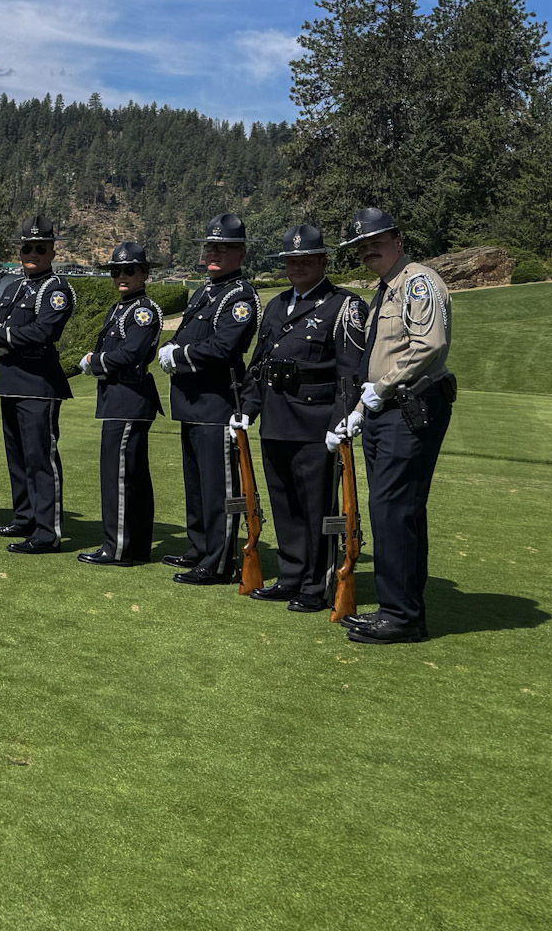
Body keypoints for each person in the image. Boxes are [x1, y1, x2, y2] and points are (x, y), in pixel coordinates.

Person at [333, 207, 453, 645]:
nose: (368, 251)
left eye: (375, 242)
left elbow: (430, 344)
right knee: (392, 511)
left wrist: (380, 389)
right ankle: (399, 609)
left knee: (393, 509)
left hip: (410, 405)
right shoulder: (385, 290)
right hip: (386, 408)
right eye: (361, 247)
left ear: (398, 242)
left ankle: (399, 616)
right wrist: (365, 408)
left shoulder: (416, 281)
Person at [237, 223, 366, 609]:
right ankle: (291, 576)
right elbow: (259, 365)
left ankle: (317, 584)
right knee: (284, 505)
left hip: (315, 420)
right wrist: (247, 409)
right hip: (276, 419)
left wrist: (341, 421)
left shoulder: (344, 306)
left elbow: (351, 372)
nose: (297, 266)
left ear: (323, 261)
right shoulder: (276, 304)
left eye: (305, 259)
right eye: (291, 260)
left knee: (316, 508)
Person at [156, 213, 259, 585]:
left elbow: (224, 346)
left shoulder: (240, 296)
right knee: (196, 482)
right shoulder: (205, 291)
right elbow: (186, 332)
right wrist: (171, 347)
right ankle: (199, 546)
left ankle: (220, 559)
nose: (213, 253)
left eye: (223, 247)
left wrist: (179, 356)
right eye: (210, 246)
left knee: (219, 488)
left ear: (241, 253)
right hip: (192, 401)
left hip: (217, 401)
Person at [0, 216, 75, 553]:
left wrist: (2, 336)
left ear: (51, 251)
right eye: (26, 247)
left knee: (40, 459)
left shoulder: (56, 288)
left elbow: (45, 330)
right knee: (17, 457)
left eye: (39, 248)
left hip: (38, 384)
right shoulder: (14, 287)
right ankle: (24, 517)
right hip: (9, 382)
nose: (31, 253)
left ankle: (48, 532)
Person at [76, 242, 163, 565]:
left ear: (144, 273)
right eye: (116, 271)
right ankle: (132, 546)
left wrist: (95, 360)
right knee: (129, 475)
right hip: (118, 398)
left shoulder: (142, 310)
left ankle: (119, 547)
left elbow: (132, 353)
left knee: (121, 477)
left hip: (129, 397)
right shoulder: (120, 308)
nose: (121, 276)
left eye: (129, 270)